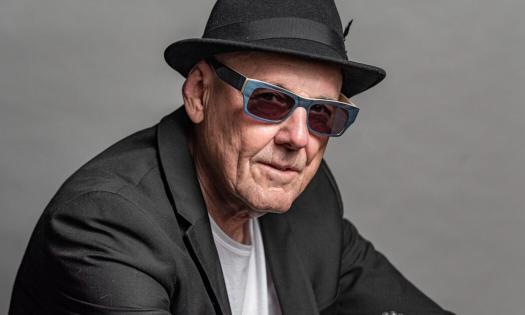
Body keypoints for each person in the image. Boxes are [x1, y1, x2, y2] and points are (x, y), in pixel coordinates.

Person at [9, 0, 455, 314]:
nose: (298, 138)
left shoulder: (311, 204)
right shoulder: (106, 225)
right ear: (199, 93)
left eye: (322, 113)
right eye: (269, 102)